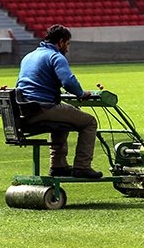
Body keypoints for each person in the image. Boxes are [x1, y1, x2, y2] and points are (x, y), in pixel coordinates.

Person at [16, 25, 103, 179]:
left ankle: (58, 165)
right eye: (68, 44)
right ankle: (82, 167)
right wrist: (81, 94)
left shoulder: (29, 56)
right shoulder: (55, 56)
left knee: (64, 116)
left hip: (25, 109)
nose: (67, 48)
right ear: (61, 42)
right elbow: (68, 82)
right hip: (42, 108)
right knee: (89, 122)